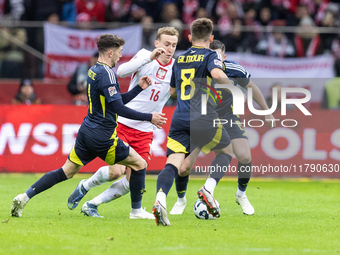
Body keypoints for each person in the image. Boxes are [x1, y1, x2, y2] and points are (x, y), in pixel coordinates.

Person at [10, 33, 167, 218]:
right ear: (110, 52)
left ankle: (24, 197)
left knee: (65, 171)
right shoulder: (108, 74)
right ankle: (136, 211)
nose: (120, 56)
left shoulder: (93, 70)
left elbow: (113, 101)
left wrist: (137, 89)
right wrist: (149, 117)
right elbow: (118, 108)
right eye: (119, 52)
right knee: (140, 164)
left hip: (87, 131)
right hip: (103, 136)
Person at [67, 27, 179, 219]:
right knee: (115, 172)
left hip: (146, 130)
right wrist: (150, 57)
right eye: (166, 44)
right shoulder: (145, 55)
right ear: (157, 43)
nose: (169, 49)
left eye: (174, 45)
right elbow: (121, 71)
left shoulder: (176, 68)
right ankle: (85, 185)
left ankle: (92, 204)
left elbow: (176, 92)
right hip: (125, 123)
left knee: (132, 178)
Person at [169, 39, 276, 216]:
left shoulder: (234, 70)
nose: (214, 60)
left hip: (227, 117)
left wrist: (266, 111)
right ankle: (181, 200)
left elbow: (252, 87)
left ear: (223, 57)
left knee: (244, 155)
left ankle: (241, 195)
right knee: (184, 167)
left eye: (217, 56)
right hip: (201, 119)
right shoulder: (198, 69)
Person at [152, 18, 234, 226]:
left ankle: (160, 199)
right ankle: (208, 188)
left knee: (173, 164)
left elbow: (171, 92)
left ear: (189, 37)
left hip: (180, 118)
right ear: (211, 38)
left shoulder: (179, 59)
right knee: (226, 152)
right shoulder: (210, 56)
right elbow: (217, 73)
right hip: (203, 117)